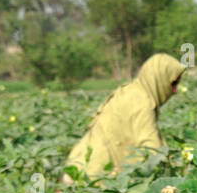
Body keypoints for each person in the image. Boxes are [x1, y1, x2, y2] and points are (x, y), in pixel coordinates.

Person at [61, 53, 186, 183]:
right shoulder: (142, 101)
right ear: (158, 78)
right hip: (93, 176)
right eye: (173, 84)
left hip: (77, 165)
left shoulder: (130, 90)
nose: (175, 91)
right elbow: (151, 148)